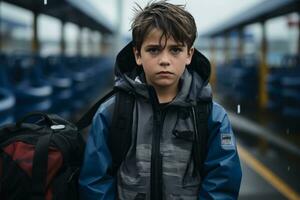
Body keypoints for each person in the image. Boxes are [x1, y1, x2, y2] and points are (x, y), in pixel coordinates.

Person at [79, 1, 242, 199]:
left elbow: (222, 183)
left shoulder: (211, 116)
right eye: (154, 50)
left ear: (189, 54)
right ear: (138, 54)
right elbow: (96, 181)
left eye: (175, 50)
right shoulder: (112, 112)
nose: (165, 60)